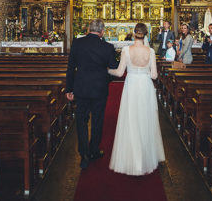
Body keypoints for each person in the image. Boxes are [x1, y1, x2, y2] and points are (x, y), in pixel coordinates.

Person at [108, 23, 165, 176]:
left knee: (131, 119)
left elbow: (119, 73)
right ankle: (146, 156)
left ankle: (132, 157)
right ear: (146, 35)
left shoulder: (126, 50)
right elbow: (154, 75)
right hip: (145, 85)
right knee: (145, 119)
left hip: (132, 85)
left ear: (134, 34)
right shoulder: (151, 51)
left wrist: (106, 69)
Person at [66, 19, 119, 169]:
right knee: (97, 120)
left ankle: (83, 154)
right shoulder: (108, 47)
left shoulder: (77, 43)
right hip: (99, 90)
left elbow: (70, 68)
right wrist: (105, 79)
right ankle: (93, 150)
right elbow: (114, 70)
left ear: (89, 29)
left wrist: (69, 89)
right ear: (102, 31)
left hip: (81, 89)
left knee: (81, 121)